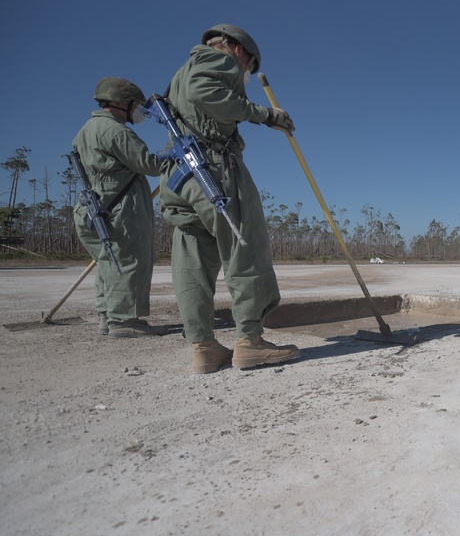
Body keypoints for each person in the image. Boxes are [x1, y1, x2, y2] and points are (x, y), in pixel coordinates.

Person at [157, 24, 299, 374]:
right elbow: (206, 94)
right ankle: (250, 342)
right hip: (213, 170)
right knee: (244, 248)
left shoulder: (182, 71)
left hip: (179, 175)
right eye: (249, 65)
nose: (246, 73)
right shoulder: (218, 62)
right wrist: (266, 115)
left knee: (192, 259)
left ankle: (203, 348)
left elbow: (194, 96)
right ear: (238, 50)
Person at [73, 77, 167, 338]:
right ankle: (124, 321)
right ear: (120, 103)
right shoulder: (117, 131)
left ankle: (107, 317)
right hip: (118, 209)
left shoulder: (86, 129)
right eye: (135, 104)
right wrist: (171, 152)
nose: (139, 111)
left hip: (93, 208)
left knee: (108, 264)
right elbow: (149, 165)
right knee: (127, 262)